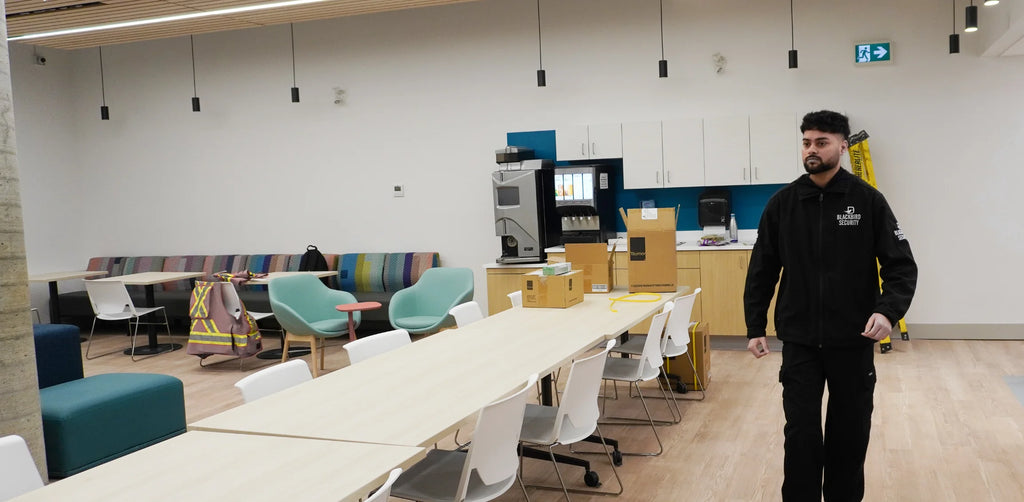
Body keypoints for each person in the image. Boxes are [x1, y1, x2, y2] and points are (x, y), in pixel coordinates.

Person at [743, 110, 917, 502]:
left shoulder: (867, 201)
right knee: (801, 435)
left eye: (821, 142)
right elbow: (762, 270)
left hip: (852, 340)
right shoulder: (783, 204)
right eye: (806, 142)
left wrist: (887, 311)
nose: (812, 149)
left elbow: (901, 266)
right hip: (800, 341)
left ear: (842, 146)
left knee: (849, 434)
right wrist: (755, 326)